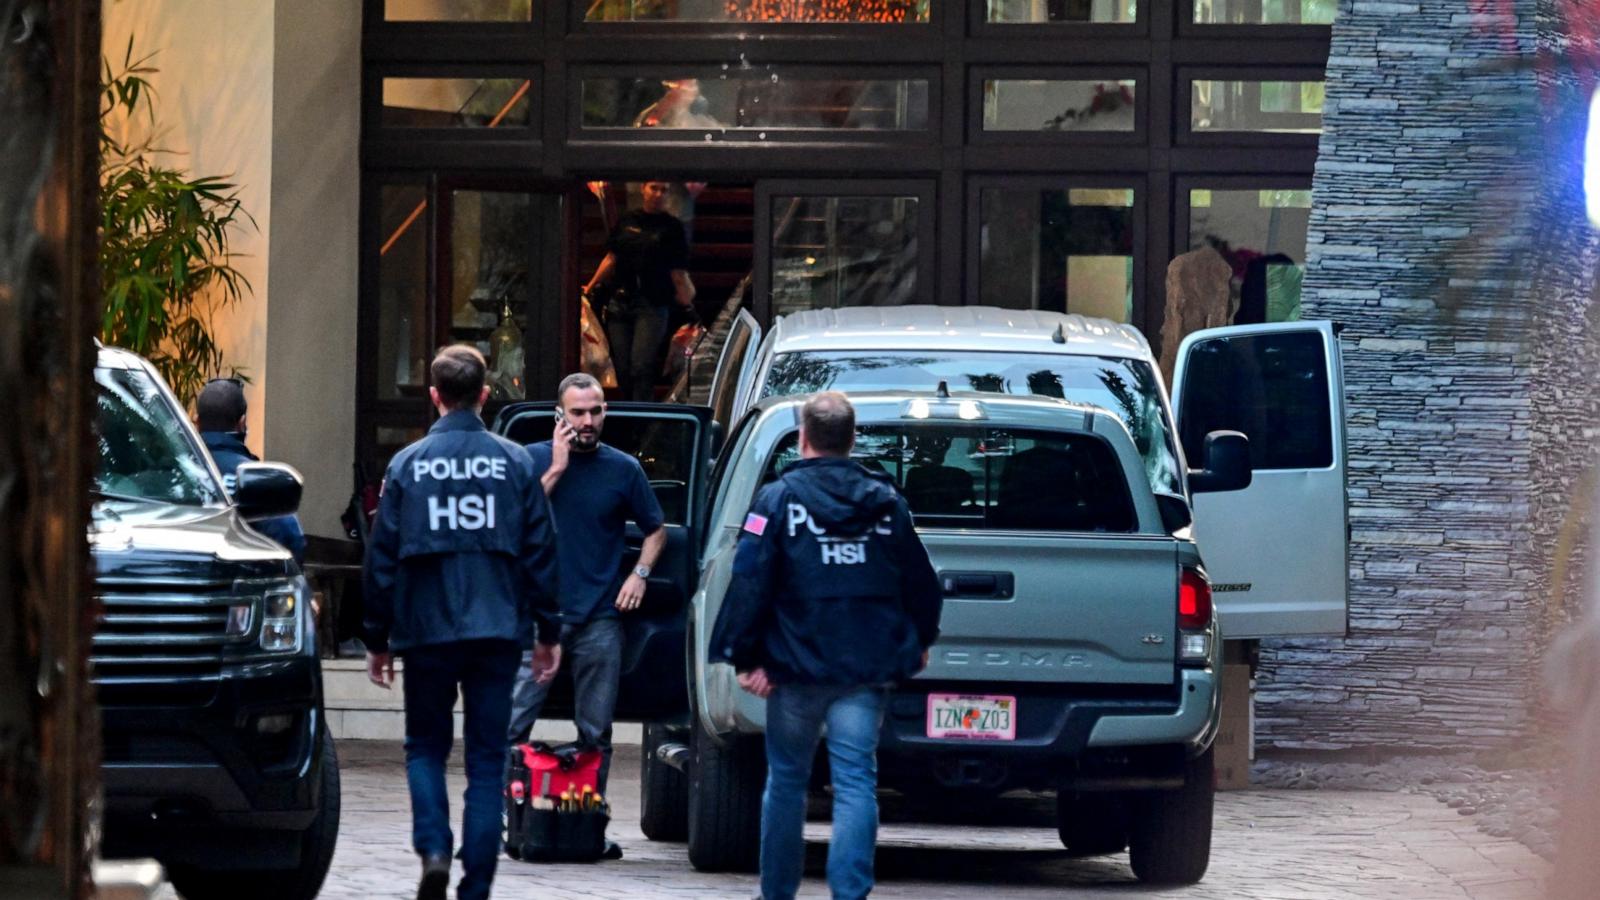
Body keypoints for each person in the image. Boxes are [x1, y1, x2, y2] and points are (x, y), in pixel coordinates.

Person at [708, 392, 943, 900]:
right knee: (856, 781)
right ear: (852, 438)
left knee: (787, 782)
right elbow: (921, 580)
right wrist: (921, 638)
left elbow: (750, 580)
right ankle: (850, 893)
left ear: (802, 438)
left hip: (794, 670)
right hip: (864, 671)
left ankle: (777, 893)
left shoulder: (777, 500)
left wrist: (746, 657)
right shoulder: (885, 502)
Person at [362, 345, 562, 900]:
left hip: (426, 629)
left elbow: (382, 558)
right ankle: (477, 882)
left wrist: (376, 638)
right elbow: (541, 552)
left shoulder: (406, 465)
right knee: (487, 757)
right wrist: (550, 631)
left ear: (433, 396)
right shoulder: (517, 462)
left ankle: (432, 848)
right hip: (497, 628)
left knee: (425, 746)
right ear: (484, 394)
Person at [505, 372, 667, 858]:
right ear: (560, 414)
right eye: (578, 412)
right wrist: (555, 468)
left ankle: (587, 826)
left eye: (596, 410)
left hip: (599, 618)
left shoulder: (623, 469)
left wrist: (638, 573)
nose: (588, 420)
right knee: (511, 727)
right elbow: (510, 522)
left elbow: (657, 530)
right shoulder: (530, 460)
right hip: (537, 618)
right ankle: (506, 823)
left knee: (595, 732)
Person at [583, 180, 696, 401]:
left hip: (652, 304)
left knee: (641, 365)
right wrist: (591, 284)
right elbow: (611, 257)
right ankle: (628, 418)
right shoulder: (628, 221)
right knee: (622, 367)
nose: (659, 194)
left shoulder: (671, 227)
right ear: (644, 189)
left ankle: (642, 422)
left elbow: (678, 272)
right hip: (621, 300)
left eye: (664, 189)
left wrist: (687, 302)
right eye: (654, 188)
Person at [195, 377, 307, 563]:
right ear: (242, 423)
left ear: (196, 423)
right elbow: (290, 538)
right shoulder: (255, 480)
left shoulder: (171, 474)